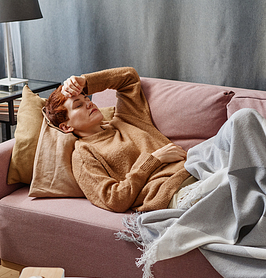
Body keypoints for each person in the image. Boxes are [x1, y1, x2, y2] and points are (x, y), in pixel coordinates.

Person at [44, 67, 192, 213]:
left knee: (215, 146)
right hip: (172, 191)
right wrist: (152, 161)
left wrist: (85, 82)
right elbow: (114, 199)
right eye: (78, 105)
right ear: (66, 127)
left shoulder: (127, 118)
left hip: (195, 167)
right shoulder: (84, 154)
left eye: (86, 98)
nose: (89, 103)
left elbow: (129, 78)